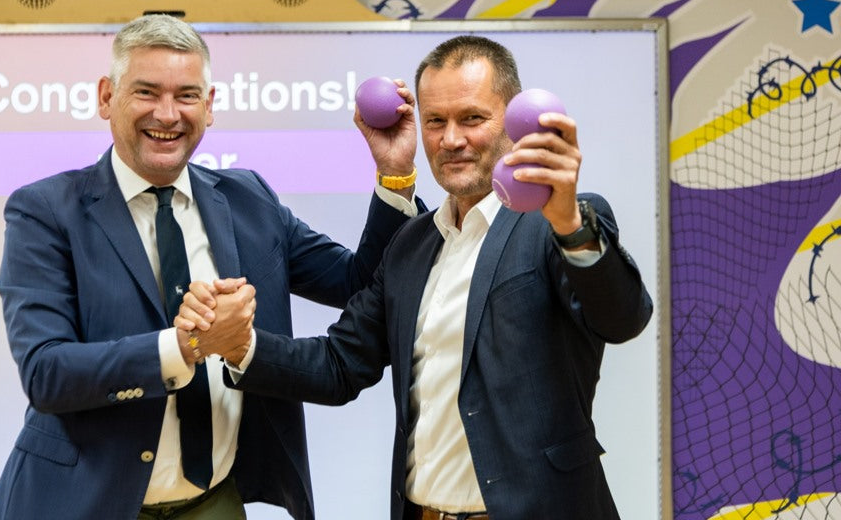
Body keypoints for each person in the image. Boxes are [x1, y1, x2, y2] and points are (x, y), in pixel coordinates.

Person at [180, 35, 654, 520]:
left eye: (472, 118)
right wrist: (239, 345)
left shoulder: (562, 222)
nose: (451, 139)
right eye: (436, 121)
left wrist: (570, 224)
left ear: (512, 122)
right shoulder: (410, 244)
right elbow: (340, 364)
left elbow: (622, 318)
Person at [0, 14, 425, 520]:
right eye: (147, 92)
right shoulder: (45, 211)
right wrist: (187, 347)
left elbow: (358, 284)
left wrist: (394, 175)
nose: (168, 114)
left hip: (211, 501)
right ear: (107, 97)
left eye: (187, 95)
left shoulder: (249, 199)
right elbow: (46, 373)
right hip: (82, 503)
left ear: (210, 106)